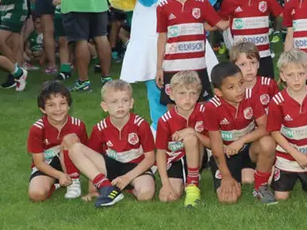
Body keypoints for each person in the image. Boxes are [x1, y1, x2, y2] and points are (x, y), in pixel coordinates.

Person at [155, 0, 228, 109]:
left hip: (197, 65)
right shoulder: (163, 7)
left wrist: (233, 13)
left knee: (200, 108)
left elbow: (220, 24)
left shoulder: (202, 4)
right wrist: (159, 67)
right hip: (172, 66)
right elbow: (162, 37)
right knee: (173, 109)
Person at [68, 80, 156, 208]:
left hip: (136, 167)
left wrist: (127, 178)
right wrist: (92, 190)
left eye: (125, 101)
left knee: (145, 195)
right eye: (114, 102)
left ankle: (123, 187)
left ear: (131, 103)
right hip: (110, 166)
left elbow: (150, 158)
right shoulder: (99, 128)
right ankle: (106, 187)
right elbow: (92, 161)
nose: (120, 106)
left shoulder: (140, 125)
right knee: (75, 149)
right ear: (104, 106)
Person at [203, 62, 277, 204]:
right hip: (227, 153)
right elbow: (216, 145)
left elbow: (265, 127)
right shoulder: (211, 108)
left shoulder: (251, 96)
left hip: (249, 149)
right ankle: (240, 174)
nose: (239, 90)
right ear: (219, 92)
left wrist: (242, 140)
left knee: (268, 143)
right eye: (231, 87)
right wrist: (225, 175)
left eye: (241, 83)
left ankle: (260, 187)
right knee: (228, 199)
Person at [267, 49, 307, 201]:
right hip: (287, 155)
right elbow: (274, 132)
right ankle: (275, 169)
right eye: (290, 75)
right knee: (281, 197)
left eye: (300, 74)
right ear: (282, 75)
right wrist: (295, 154)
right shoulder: (277, 101)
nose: (296, 80)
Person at [218, 0, 283, 78]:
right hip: (241, 60)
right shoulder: (230, 1)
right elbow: (220, 24)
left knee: (265, 92)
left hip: (263, 57)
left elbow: (285, 18)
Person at [154, 71, 208, 208]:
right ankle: (185, 178)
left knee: (190, 138)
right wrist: (165, 184)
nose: (187, 98)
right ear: (171, 94)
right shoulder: (165, 121)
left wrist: (192, 132)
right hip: (175, 157)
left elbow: (213, 144)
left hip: (201, 153)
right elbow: (160, 153)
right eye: (182, 93)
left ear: (199, 94)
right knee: (167, 197)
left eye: (192, 93)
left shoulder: (205, 112)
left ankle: (193, 186)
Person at [27, 81, 86, 201]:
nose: (58, 109)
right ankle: (57, 182)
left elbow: (86, 153)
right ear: (43, 109)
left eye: (62, 103)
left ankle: (73, 181)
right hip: (46, 165)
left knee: (69, 140)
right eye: (51, 105)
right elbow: (39, 163)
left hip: (72, 162)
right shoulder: (37, 129)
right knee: (36, 195)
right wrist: (59, 175)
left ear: (69, 105)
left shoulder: (78, 125)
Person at [229, 42, 280, 116]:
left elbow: (280, 109)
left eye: (253, 63)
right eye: (243, 64)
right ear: (234, 67)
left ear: (258, 64)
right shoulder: (233, 91)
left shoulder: (269, 84)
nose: (249, 68)